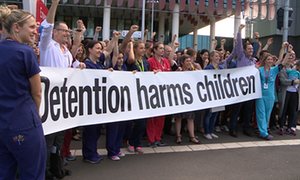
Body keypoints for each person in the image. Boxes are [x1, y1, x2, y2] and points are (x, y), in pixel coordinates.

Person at [0, 5, 46, 179]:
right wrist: (33, 117)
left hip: (2, 125)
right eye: (32, 27)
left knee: (4, 172)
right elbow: (37, 92)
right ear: (16, 28)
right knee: (32, 173)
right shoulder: (25, 52)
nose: (35, 31)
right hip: (24, 123)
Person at [255, 53, 287, 140]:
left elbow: (283, 63)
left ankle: (264, 130)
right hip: (260, 95)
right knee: (261, 113)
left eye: (271, 59)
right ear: (264, 61)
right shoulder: (259, 70)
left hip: (270, 96)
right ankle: (263, 133)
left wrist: (287, 51)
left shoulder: (274, 70)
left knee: (267, 114)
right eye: (268, 59)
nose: (270, 61)